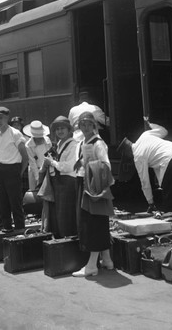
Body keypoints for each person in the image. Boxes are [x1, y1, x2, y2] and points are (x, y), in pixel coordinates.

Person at [72, 112, 114, 277]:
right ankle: (107, 260)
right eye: (83, 124)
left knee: (92, 222)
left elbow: (106, 165)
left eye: (89, 124)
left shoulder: (98, 143)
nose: (86, 127)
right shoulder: (83, 142)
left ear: (94, 125)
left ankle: (91, 266)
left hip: (93, 185)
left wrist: (90, 167)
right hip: (85, 182)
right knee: (98, 220)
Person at [0, 107, 29, 231]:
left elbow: (25, 157)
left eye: (0, 118)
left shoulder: (15, 133)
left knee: (15, 201)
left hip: (12, 169)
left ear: (7, 118)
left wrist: (19, 172)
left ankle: (19, 228)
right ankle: (7, 227)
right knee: (2, 200)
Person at [41, 116, 78, 238]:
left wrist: (52, 163)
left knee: (66, 215)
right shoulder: (58, 144)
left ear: (68, 130)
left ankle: (68, 239)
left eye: (62, 128)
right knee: (57, 215)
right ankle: (60, 239)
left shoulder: (73, 145)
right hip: (57, 183)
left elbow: (69, 166)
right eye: (57, 129)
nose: (60, 131)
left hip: (67, 183)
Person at [23, 120, 52, 190]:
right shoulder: (28, 145)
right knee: (35, 193)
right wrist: (38, 178)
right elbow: (32, 162)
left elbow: (50, 155)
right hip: (35, 171)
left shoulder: (47, 140)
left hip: (48, 170)